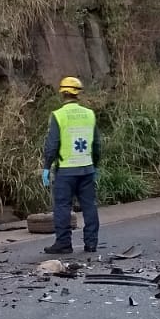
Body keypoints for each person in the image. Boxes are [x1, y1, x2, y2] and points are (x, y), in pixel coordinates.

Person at [41, 76, 100, 254]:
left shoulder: (59, 116)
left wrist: (46, 166)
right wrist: (95, 164)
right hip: (87, 169)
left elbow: (53, 144)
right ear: (78, 94)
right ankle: (91, 243)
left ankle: (64, 243)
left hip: (66, 171)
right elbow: (97, 143)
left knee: (62, 207)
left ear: (63, 93)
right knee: (89, 206)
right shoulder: (89, 114)